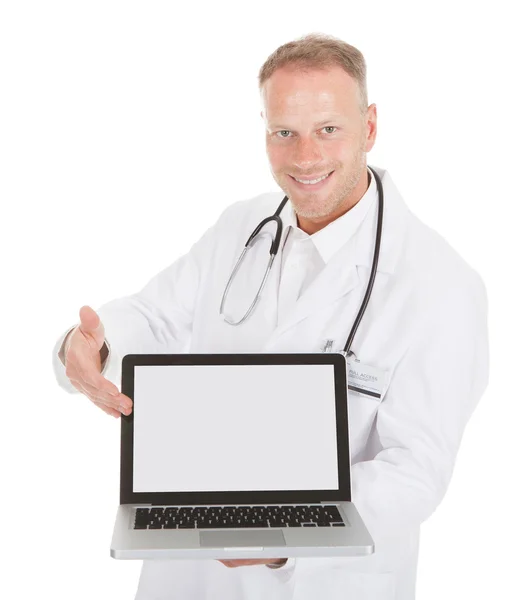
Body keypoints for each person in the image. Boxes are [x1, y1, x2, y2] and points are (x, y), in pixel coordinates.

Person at [52, 32, 489, 600]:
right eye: (285, 132)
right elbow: (154, 319)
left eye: (328, 129)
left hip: (324, 582)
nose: (305, 157)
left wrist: (284, 535)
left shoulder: (441, 285)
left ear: (371, 128)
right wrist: (89, 348)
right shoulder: (242, 228)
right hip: (192, 574)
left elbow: (416, 471)